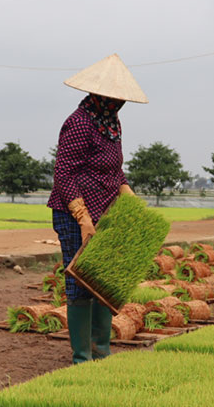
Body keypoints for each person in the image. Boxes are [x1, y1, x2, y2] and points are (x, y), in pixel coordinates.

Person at [47, 53, 148, 364]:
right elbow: (64, 174)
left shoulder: (112, 124)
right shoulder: (78, 123)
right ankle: (82, 357)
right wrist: (82, 218)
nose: (118, 103)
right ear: (99, 95)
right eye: (114, 98)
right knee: (80, 282)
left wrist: (127, 193)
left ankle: (101, 351)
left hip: (105, 213)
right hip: (73, 213)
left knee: (104, 279)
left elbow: (114, 170)